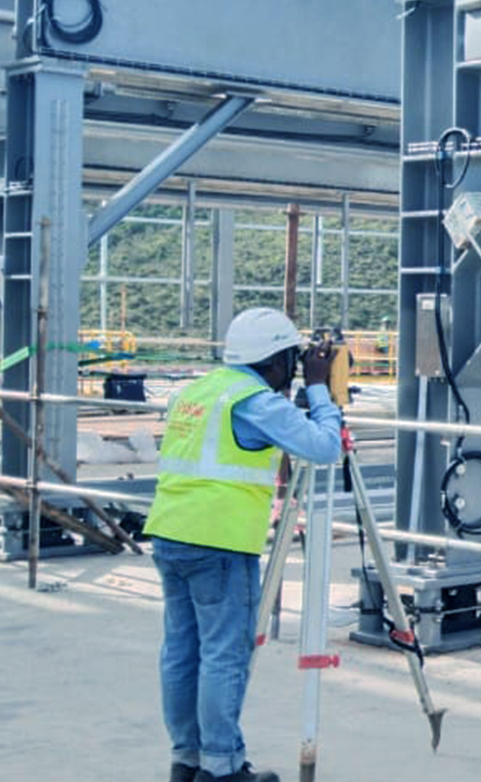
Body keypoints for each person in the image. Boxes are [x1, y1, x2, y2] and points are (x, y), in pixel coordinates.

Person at [146, 308, 343, 782]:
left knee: (181, 651)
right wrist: (319, 387)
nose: (294, 367)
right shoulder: (256, 402)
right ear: (275, 360)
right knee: (223, 654)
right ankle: (222, 767)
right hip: (219, 542)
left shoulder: (198, 391)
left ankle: (187, 760)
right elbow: (325, 446)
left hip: (170, 532)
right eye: (292, 358)